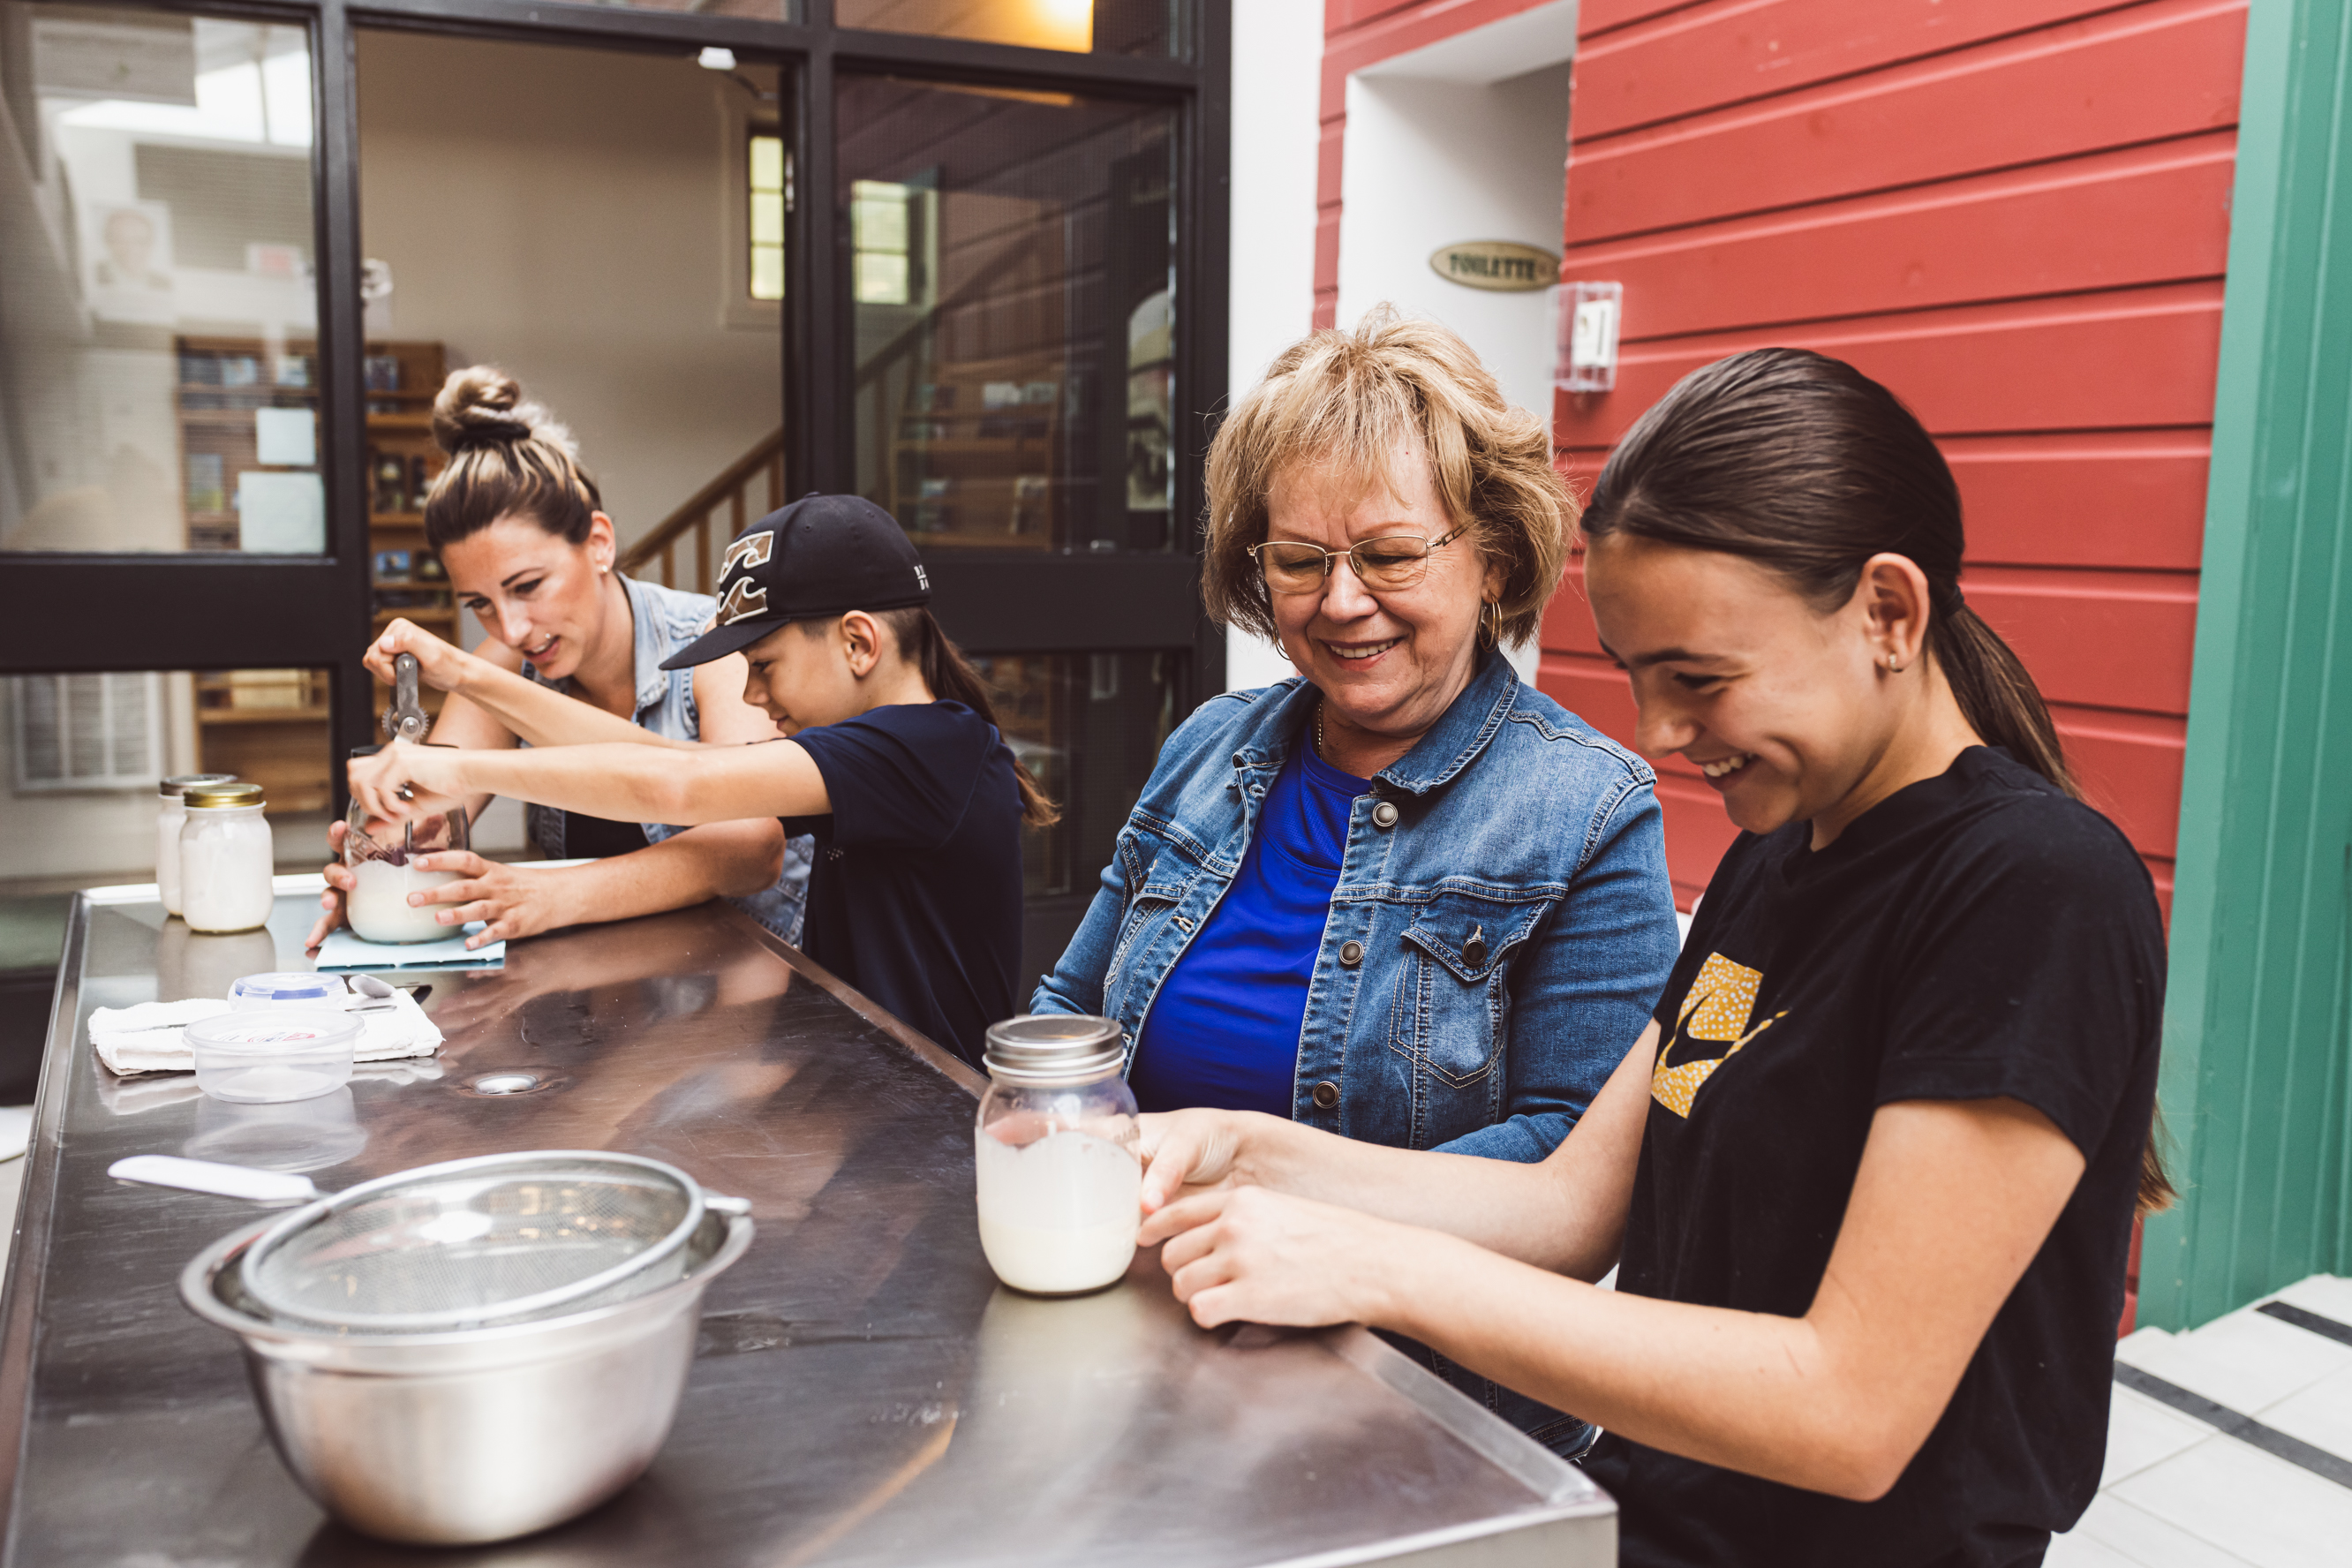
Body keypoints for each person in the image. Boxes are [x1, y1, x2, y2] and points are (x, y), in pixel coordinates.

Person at [1132, 348, 2171, 1566]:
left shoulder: (2035, 887)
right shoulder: (1777, 859)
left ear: (1887, 612)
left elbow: (1851, 1410)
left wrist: (1378, 1268)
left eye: (1700, 681)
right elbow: (1570, 1207)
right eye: (1637, 679)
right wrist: (1244, 1152)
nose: (1661, 736)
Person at [1031, 312, 1679, 1451]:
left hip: (1423, 1416)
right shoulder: (1208, 748)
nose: (1339, 602)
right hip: (1144, 1353)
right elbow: (1068, 1014)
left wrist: (1268, 1192)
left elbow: (1572, 1174)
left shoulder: (1588, 809)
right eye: (1299, 561)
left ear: (1495, 559)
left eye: (1388, 555)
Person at [348, 492, 1054, 1070]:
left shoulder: (932, 747)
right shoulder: (875, 751)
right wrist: (463, 674)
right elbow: (651, 756)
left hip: (926, 1120)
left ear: (858, 642)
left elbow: (678, 785)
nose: (750, 696)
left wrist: (455, 769)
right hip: (853, 1084)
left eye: (765, 665)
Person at [305, 367, 808, 954]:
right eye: (480, 605)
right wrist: (373, 864)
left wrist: (549, 896)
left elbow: (751, 846)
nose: (512, 629)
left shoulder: (713, 646)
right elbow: (422, 811)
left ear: (598, 542)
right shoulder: (506, 664)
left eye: (528, 586)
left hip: (758, 981)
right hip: (612, 984)